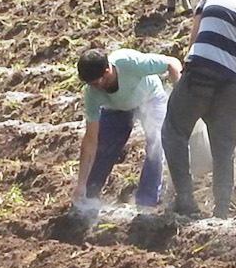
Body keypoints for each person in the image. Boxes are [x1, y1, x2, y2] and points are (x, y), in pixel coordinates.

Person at [160, 0, 236, 219]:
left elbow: (196, 31)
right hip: (232, 86)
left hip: (200, 70)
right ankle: (222, 210)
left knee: (174, 131)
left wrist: (186, 71)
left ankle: (185, 199)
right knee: (224, 150)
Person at [74, 46, 183, 211]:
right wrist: (80, 183)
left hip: (150, 98)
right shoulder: (92, 92)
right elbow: (90, 139)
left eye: (97, 83)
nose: (95, 88)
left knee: (157, 143)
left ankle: (146, 202)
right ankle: (88, 197)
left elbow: (171, 62)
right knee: (104, 148)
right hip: (117, 108)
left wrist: (180, 90)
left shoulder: (130, 63)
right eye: (90, 85)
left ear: (107, 71)